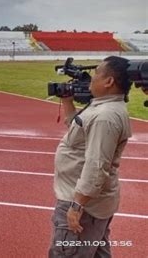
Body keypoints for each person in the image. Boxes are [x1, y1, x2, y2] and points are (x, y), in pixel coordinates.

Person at [49, 56, 133, 258]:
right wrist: (67, 102)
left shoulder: (105, 117)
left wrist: (77, 205)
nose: (91, 79)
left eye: (96, 74)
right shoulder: (101, 108)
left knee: (67, 254)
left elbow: (96, 166)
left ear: (109, 81)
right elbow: (79, 132)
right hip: (93, 206)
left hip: (84, 207)